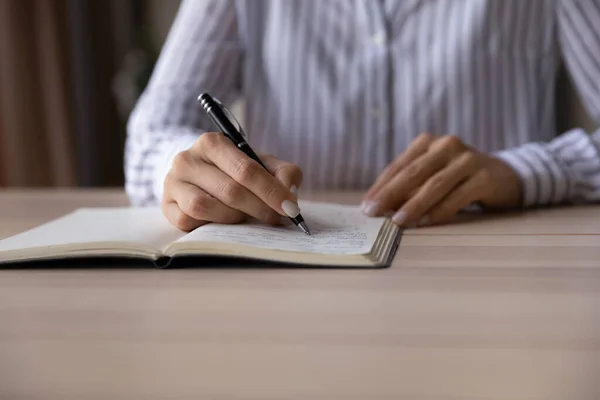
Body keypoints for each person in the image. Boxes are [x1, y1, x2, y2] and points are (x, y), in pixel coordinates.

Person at [125, 0, 600, 231]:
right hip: (289, 287)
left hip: (497, 274)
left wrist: (526, 172)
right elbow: (150, 135)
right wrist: (189, 170)